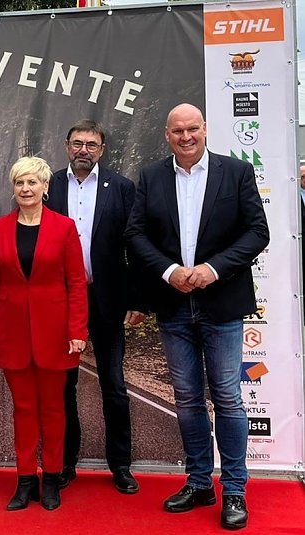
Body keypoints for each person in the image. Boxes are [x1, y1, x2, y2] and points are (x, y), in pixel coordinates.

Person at [125, 103, 269, 530]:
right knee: (186, 399)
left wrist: (212, 269)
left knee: (226, 396)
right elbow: (135, 233)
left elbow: (257, 231)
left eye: (192, 129)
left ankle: (236, 491)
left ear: (204, 129)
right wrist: (170, 272)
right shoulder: (151, 177)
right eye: (177, 131)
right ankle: (199, 482)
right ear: (166, 135)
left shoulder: (235, 172)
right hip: (173, 305)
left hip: (221, 303)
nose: (186, 137)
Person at [0, 156, 88, 511]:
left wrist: (77, 330)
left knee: (54, 409)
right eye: (19, 183)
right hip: (12, 334)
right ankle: (25, 479)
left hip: (56, 334)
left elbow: (76, 282)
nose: (25, 189)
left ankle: (53, 478)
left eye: (32, 183)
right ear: (14, 188)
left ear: (45, 187)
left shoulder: (64, 227)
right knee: (23, 409)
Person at [45, 120, 145, 493]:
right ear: (66, 146)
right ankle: (65, 461)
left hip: (107, 299)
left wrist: (136, 299)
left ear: (102, 150)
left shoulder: (121, 188)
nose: (83, 149)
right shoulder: (49, 186)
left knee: (114, 385)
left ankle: (120, 465)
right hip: (60, 301)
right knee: (63, 385)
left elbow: (135, 245)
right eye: (77, 143)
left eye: (91, 144)